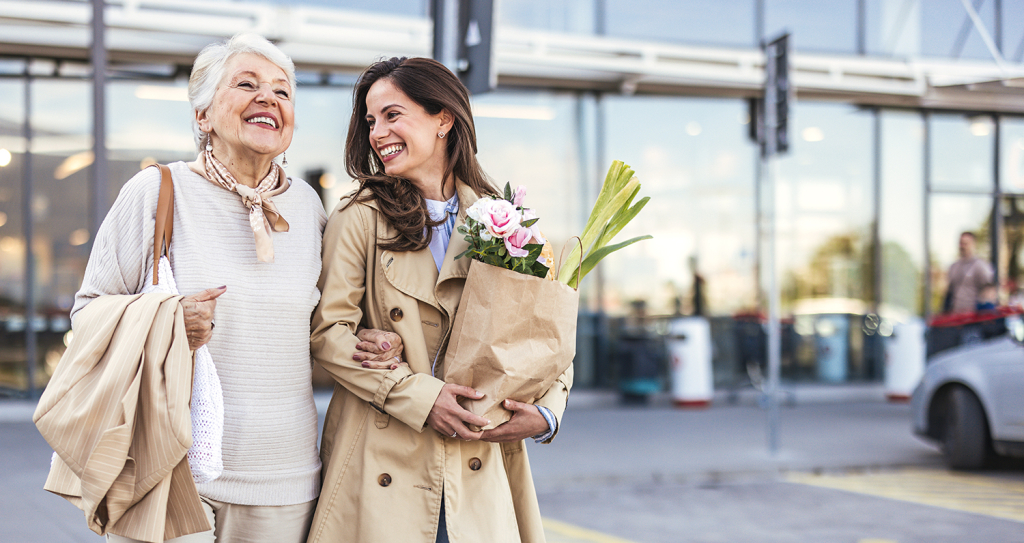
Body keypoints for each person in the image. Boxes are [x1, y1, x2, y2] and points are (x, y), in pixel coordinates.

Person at [71, 33, 400, 543]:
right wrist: (165, 319)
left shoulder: (310, 208)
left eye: (282, 91)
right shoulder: (157, 191)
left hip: (284, 477)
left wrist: (373, 343)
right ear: (203, 115)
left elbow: (321, 329)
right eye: (246, 84)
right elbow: (87, 313)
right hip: (169, 465)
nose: (267, 98)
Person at [308, 57, 572, 543]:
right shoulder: (359, 217)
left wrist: (548, 413)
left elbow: (546, 330)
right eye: (370, 121)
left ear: (443, 119)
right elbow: (328, 334)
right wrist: (423, 398)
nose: (377, 133)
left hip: (478, 462)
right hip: (384, 461)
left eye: (392, 115)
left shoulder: (503, 218)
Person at [944, 231, 994, 314]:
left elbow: (989, 290)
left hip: (973, 317)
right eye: (961, 243)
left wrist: (982, 309)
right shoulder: (954, 267)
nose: (962, 246)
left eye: (965, 243)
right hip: (956, 316)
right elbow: (950, 292)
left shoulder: (980, 266)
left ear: (973, 244)